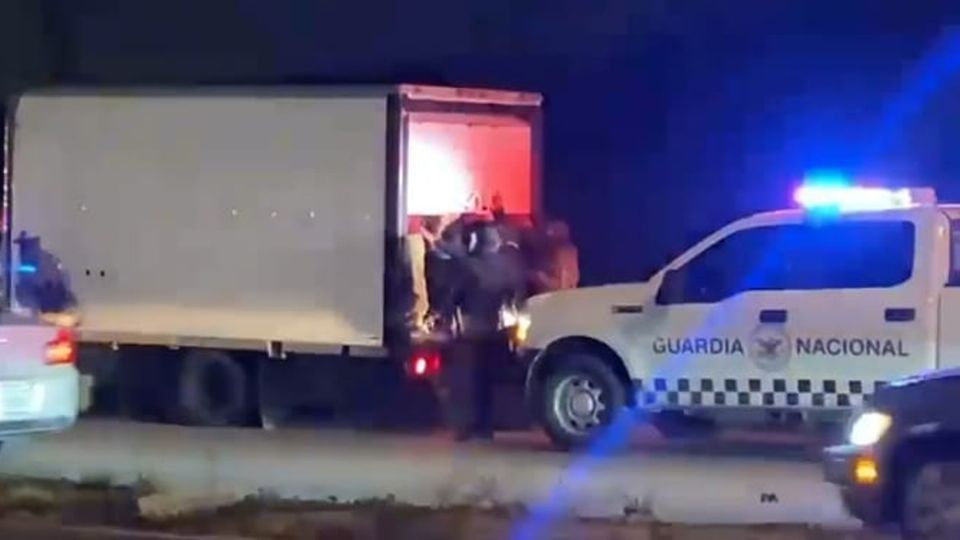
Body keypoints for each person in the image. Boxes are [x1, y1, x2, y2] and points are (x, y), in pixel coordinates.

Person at [443, 221, 521, 441]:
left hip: (473, 329)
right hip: (497, 329)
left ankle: (469, 426)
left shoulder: (469, 266)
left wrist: (447, 317)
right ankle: (487, 427)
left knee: (469, 381)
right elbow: (514, 296)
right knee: (488, 380)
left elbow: (455, 297)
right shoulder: (508, 266)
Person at [529, 219, 580, 294]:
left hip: (559, 296)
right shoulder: (544, 253)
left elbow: (564, 286)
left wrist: (540, 277)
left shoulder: (565, 251)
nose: (548, 233)